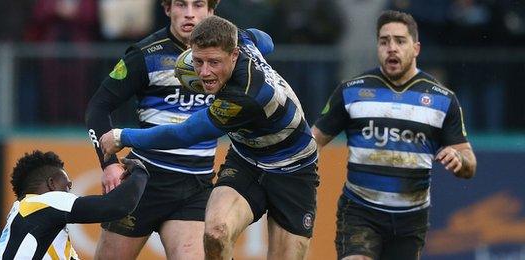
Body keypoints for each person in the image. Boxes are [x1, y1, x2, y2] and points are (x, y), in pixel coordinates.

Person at [99, 16, 319, 259]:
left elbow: (185, 133)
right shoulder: (242, 41)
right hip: (246, 162)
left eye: (214, 62)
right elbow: (265, 39)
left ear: (234, 55)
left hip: (294, 171)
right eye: (198, 61)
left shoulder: (246, 95)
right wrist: (247, 40)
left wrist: (123, 136)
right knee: (215, 234)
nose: (204, 72)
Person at [311, 10, 477, 260]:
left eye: (400, 41)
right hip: (360, 211)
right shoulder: (351, 91)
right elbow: (312, 143)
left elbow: (469, 163)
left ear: (416, 48)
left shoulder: (443, 99)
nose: (391, 48)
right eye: (384, 41)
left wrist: (459, 159)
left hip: (411, 219)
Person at [0, 151, 149, 259]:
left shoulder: (25, 214)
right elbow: (119, 206)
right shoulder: (44, 201)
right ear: (51, 184)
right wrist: (140, 171)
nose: (70, 192)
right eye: (68, 186)